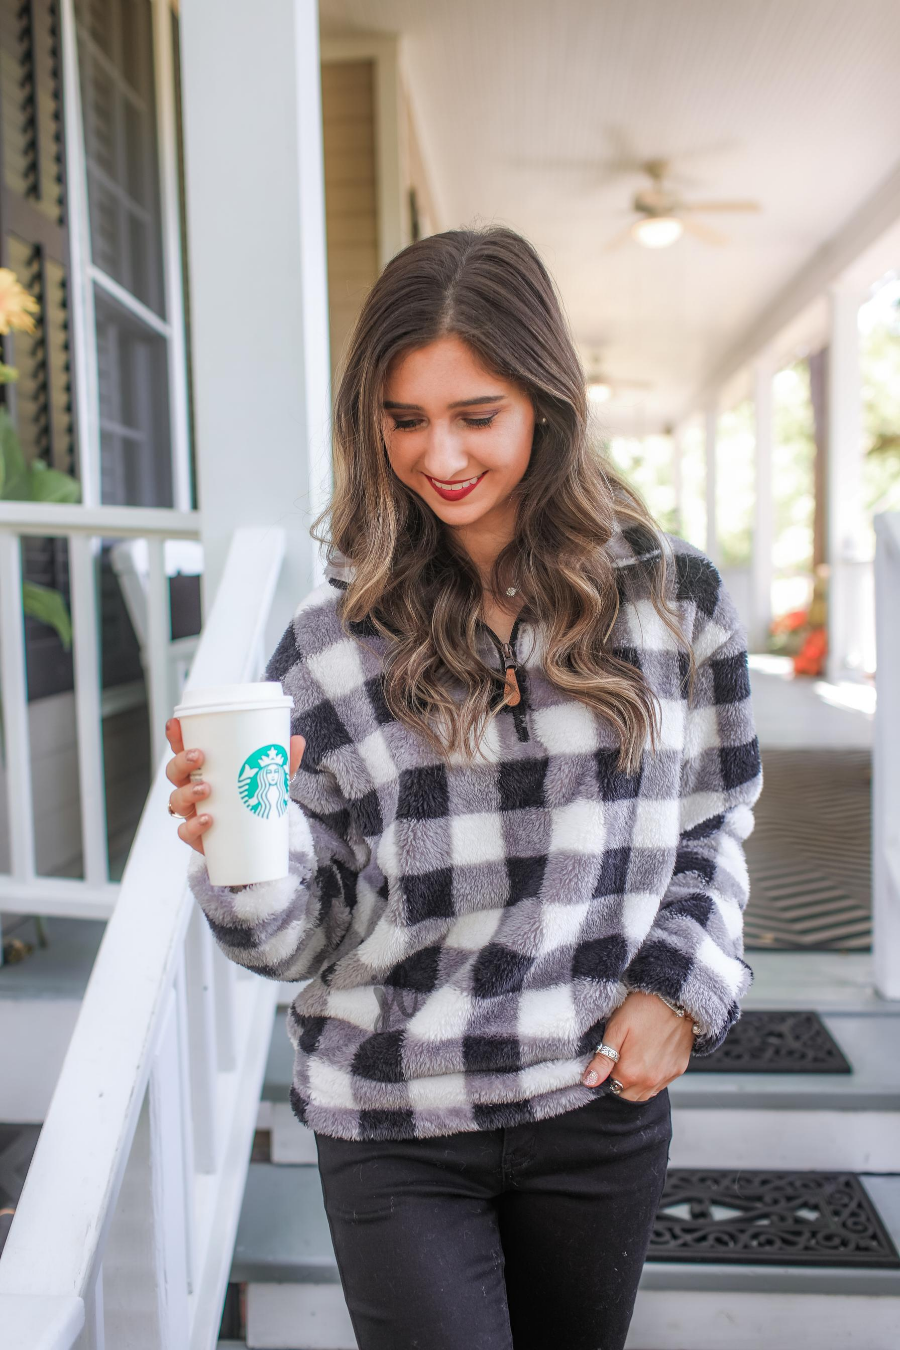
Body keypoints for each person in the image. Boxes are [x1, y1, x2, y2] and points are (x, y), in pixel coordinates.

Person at [165, 226, 763, 1350]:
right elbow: (308, 934)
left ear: (546, 403)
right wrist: (237, 858)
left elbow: (716, 818)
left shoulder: (673, 601)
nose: (438, 455)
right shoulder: (326, 652)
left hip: (595, 1099)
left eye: (474, 414)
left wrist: (680, 988)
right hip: (391, 1118)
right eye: (405, 419)